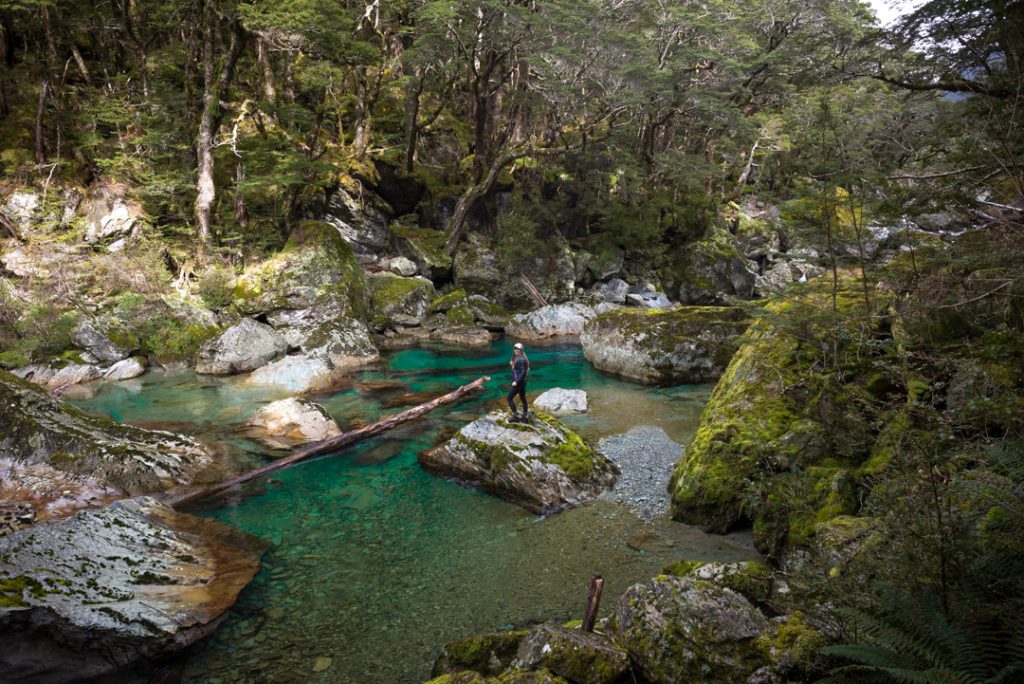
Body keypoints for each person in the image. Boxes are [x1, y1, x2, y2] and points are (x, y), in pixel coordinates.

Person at [507, 342, 530, 421]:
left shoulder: (521, 359)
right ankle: (525, 414)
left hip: (519, 383)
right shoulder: (519, 357)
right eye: (515, 348)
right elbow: (518, 371)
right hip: (523, 382)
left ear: (521, 350)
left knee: (509, 398)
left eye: (518, 349)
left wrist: (516, 381)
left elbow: (523, 372)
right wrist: (512, 365)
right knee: (523, 398)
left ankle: (515, 415)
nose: (516, 350)